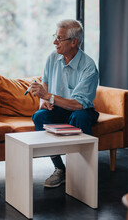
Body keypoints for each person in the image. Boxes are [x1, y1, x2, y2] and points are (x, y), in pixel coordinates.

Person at [31, 19, 99, 188]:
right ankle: (60, 169)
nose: (55, 42)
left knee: (79, 116)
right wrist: (43, 100)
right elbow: (45, 83)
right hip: (59, 108)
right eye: (55, 37)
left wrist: (48, 95)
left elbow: (78, 104)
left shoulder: (89, 66)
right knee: (39, 116)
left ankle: (84, 171)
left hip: (81, 109)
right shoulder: (53, 58)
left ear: (74, 42)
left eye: (59, 38)